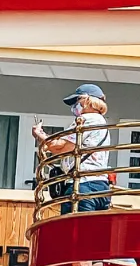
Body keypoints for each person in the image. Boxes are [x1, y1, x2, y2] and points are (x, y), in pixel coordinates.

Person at [34, 84, 113, 216]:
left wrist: (40, 136)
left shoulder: (86, 120)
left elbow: (60, 147)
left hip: (82, 186)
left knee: (74, 233)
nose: (75, 106)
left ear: (87, 100)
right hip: (101, 187)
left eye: (77, 100)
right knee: (94, 234)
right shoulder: (102, 122)